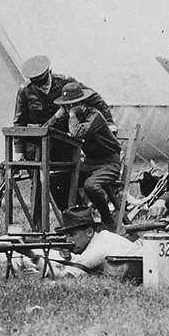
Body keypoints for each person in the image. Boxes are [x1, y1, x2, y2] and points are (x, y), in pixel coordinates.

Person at [47, 82, 124, 230]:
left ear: (81, 103)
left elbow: (77, 133)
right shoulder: (72, 116)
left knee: (91, 186)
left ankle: (107, 221)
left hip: (109, 164)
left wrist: (71, 114)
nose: (69, 108)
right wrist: (57, 116)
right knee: (56, 179)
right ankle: (78, 218)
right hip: (90, 163)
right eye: (66, 105)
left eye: (72, 104)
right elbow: (46, 129)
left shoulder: (94, 115)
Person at [38, 207, 169, 278]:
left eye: (72, 235)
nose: (69, 240)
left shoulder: (98, 247)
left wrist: (32, 255)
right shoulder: (102, 238)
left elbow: (70, 274)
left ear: (89, 232)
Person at [11, 55, 114, 159]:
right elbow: (19, 122)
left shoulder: (66, 82)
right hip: (38, 145)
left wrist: (109, 122)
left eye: (44, 82)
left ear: (49, 72)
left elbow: (94, 99)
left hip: (63, 142)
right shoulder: (24, 91)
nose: (42, 87)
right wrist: (18, 151)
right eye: (38, 85)